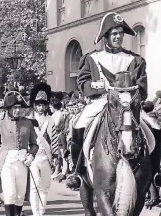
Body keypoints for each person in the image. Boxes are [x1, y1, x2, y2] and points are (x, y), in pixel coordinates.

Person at [66, 11, 160, 189]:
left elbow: (142, 88)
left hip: (128, 105)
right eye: (114, 33)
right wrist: (104, 87)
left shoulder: (134, 59)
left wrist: (131, 96)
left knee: (155, 127)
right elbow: (84, 84)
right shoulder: (92, 58)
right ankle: (77, 172)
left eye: (120, 33)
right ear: (106, 36)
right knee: (78, 125)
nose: (118, 37)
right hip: (101, 101)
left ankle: (156, 171)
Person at [0, 91, 39, 216]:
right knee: (10, 194)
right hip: (6, 163)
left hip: (22, 163)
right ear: (8, 109)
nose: (17, 110)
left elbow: (34, 144)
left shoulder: (28, 123)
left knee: (20, 196)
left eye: (19, 108)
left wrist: (31, 155)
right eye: (14, 108)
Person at [28, 83, 58, 216]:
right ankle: (35, 213)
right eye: (38, 104)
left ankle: (41, 211)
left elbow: (55, 139)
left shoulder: (50, 120)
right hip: (33, 157)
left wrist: (56, 156)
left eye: (43, 104)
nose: (40, 107)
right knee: (35, 186)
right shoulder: (28, 119)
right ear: (35, 105)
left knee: (45, 187)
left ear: (46, 105)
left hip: (46, 157)